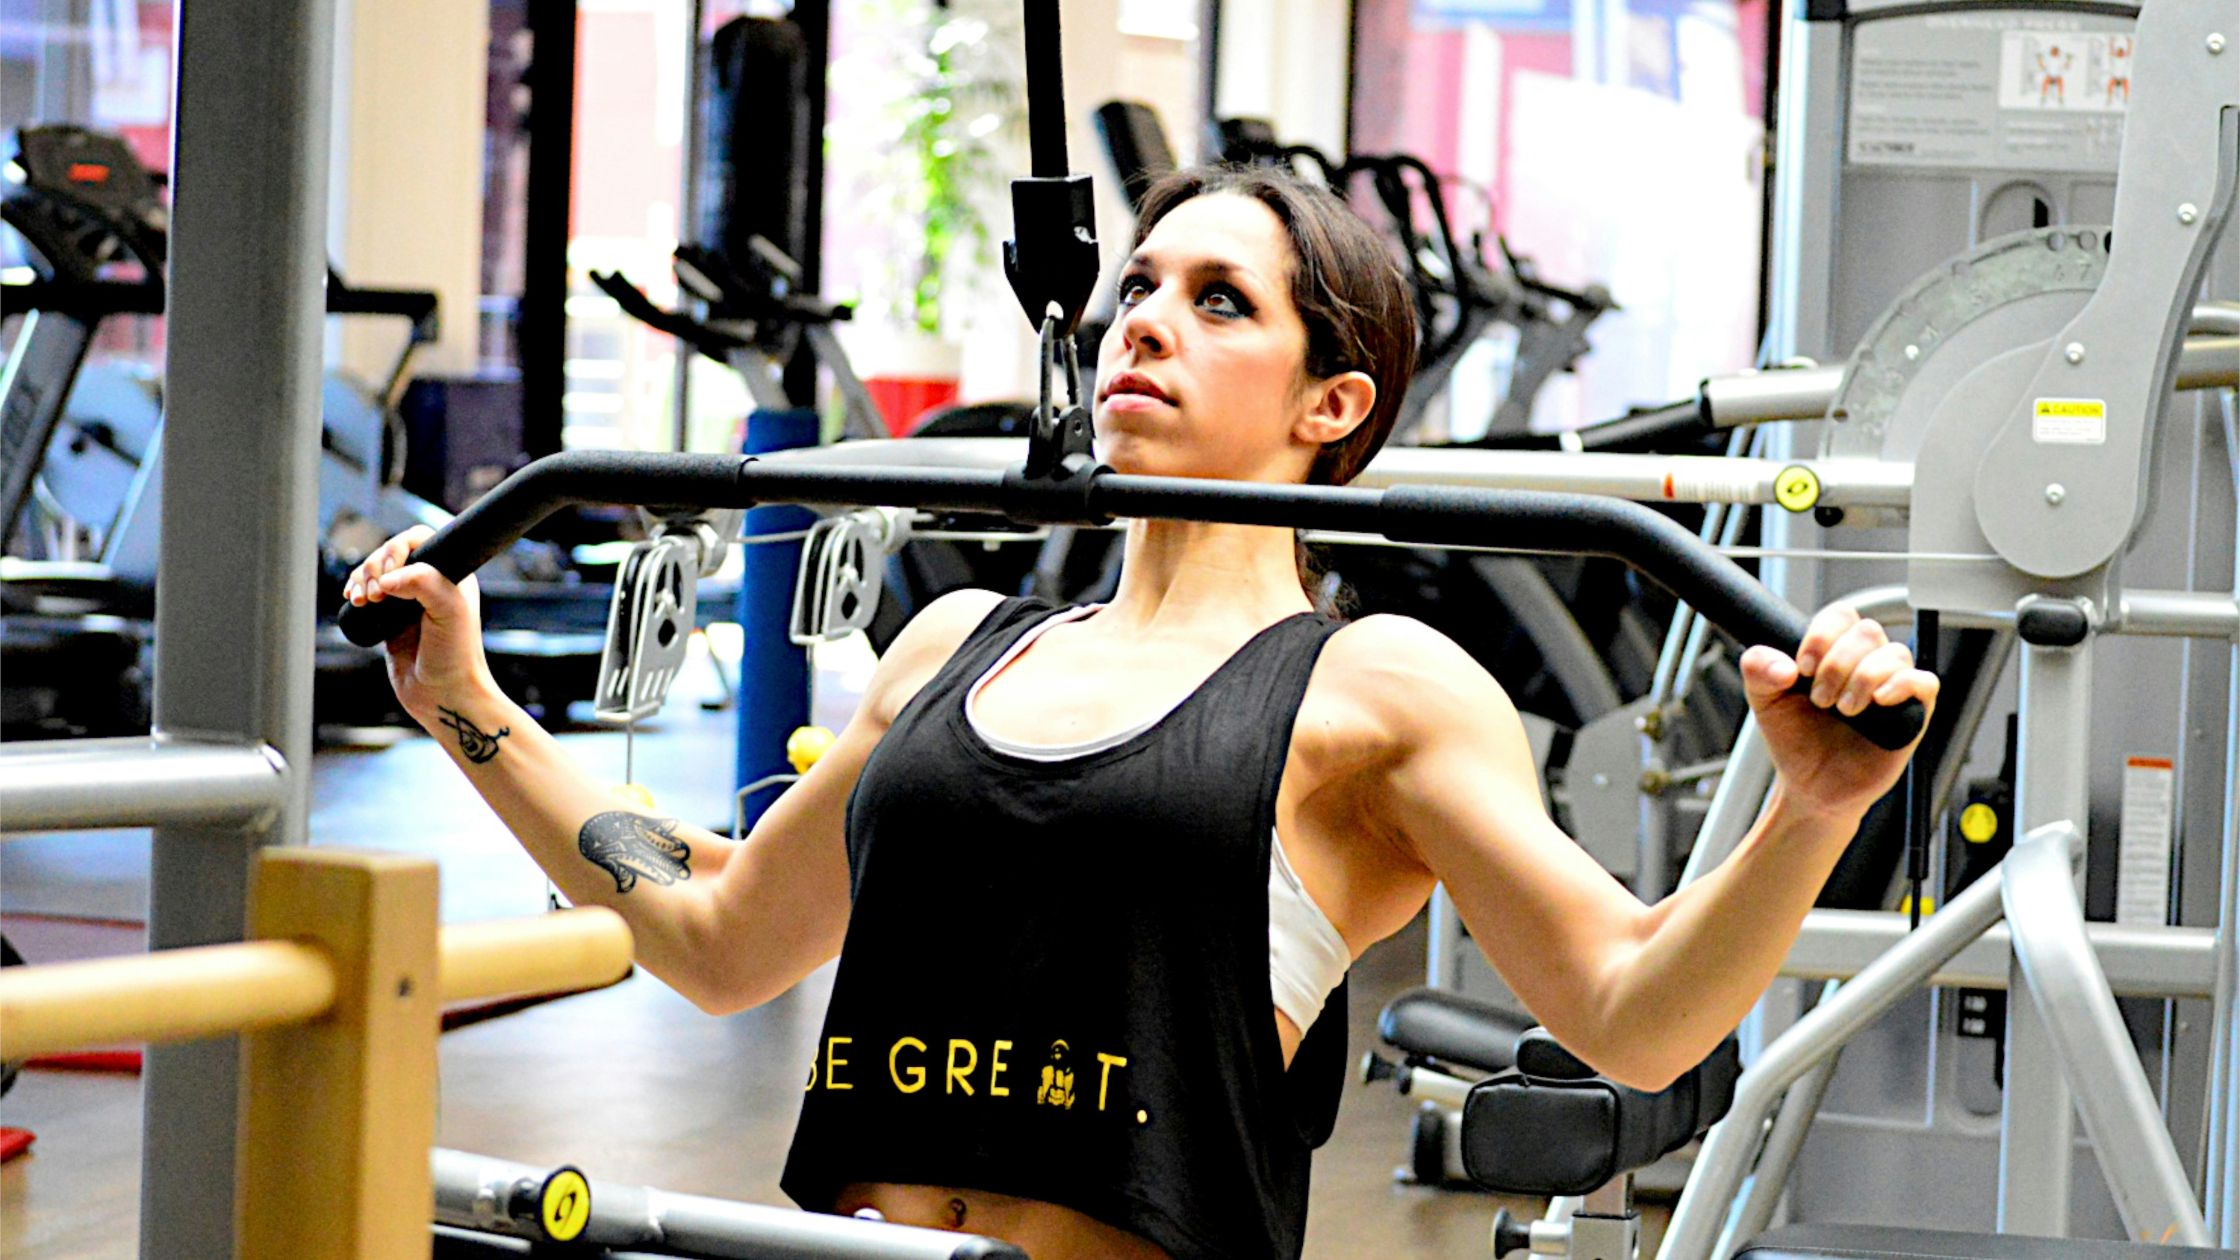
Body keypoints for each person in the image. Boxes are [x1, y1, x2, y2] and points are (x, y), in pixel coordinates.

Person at [345, 165, 1938, 1260]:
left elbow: (1633, 1011)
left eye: (1222, 300)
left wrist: (1811, 809)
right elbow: (716, 937)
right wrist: (465, 703)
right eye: (1138, 289)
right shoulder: (958, 645)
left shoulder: (1372, 688)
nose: (1147, 321)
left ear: (1335, 405)